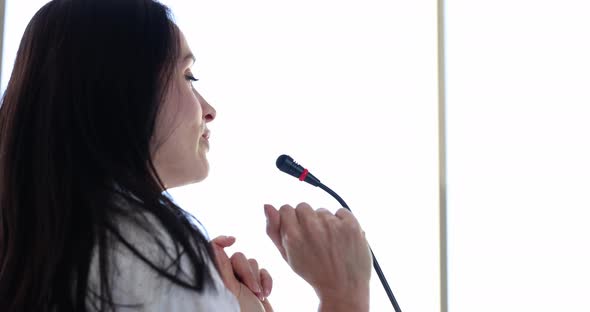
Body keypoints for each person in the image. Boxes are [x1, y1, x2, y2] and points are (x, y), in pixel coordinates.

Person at [0, 0, 372, 311]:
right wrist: (344, 292)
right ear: (123, 93)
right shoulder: (149, 252)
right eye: (188, 76)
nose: (208, 110)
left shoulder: (47, 246)